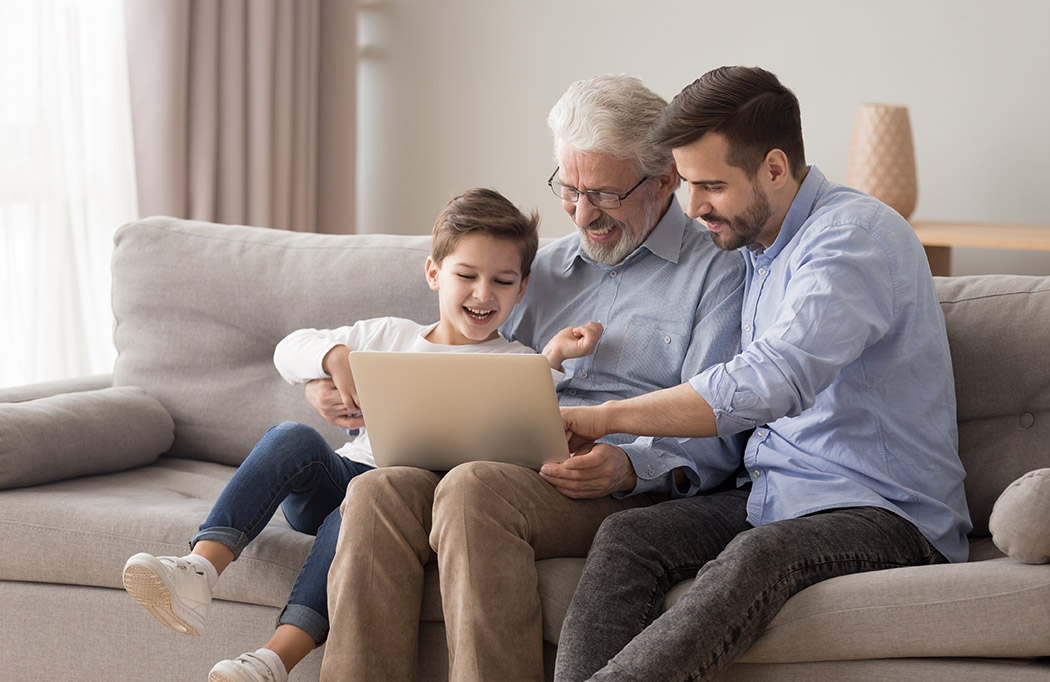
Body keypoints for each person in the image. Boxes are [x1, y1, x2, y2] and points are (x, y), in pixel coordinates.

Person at [314, 74, 747, 682]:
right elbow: (453, 349)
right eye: (569, 189)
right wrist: (335, 375)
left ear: (666, 181)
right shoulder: (538, 270)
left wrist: (628, 466)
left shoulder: (718, 273)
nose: (582, 212)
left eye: (603, 193)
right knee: (375, 492)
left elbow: (720, 423)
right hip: (502, 459)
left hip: (613, 485)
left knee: (473, 492)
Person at [556, 66, 973, 682]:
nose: (692, 207)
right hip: (774, 497)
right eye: (688, 183)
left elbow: (769, 380)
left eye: (710, 186)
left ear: (775, 168)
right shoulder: (758, 247)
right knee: (628, 539)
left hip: (888, 513)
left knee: (757, 557)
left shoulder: (848, 241)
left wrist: (603, 417)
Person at [121, 188, 602, 682]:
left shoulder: (520, 364)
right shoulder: (387, 336)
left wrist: (552, 360)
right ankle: (199, 569)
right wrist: (333, 360)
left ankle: (269, 661)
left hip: (408, 506)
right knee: (293, 437)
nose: (484, 294)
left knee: (359, 511)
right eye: (467, 276)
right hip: (349, 471)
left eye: (502, 281)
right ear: (434, 273)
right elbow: (290, 348)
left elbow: (533, 433)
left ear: (521, 289)